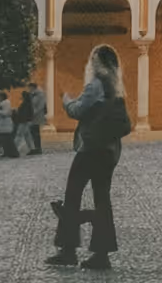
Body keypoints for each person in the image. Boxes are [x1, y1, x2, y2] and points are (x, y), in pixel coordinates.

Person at [46, 45, 131, 271]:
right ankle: (101, 255)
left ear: (98, 63)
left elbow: (77, 110)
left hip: (90, 149)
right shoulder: (116, 87)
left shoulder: (95, 85)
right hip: (108, 152)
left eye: (92, 59)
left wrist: (65, 99)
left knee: (72, 194)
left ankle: (68, 250)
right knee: (102, 199)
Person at [0, 92, 20, 158]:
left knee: (8, 140)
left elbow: (6, 113)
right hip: (2, 125)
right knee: (5, 140)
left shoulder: (5, 103)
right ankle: (7, 152)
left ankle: (13, 153)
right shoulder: (4, 103)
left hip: (5, 125)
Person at [26, 82, 47, 155]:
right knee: (34, 132)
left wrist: (33, 112)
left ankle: (37, 148)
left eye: (30, 88)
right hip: (34, 115)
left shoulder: (39, 94)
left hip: (36, 115)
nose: (29, 89)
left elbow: (39, 105)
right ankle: (36, 147)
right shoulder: (34, 94)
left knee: (35, 132)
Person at [13, 89, 35, 155]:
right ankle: (32, 148)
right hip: (27, 121)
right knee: (27, 136)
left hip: (23, 121)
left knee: (19, 135)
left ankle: (14, 149)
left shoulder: (25, 104)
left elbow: (24, 113)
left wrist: (18, 114)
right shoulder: (28, 104)